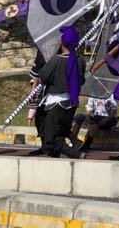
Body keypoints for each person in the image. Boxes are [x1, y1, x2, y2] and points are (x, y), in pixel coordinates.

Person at [37, 26, 85, 159]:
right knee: (61, 132)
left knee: (51, 138)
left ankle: (76, 154)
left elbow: (44, 77)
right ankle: (73, 143)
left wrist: (44, 67)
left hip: (56, 103)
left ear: (62, 42)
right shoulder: (80, 60)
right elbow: (81, 80)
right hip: (71, 102)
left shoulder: (56, 60)